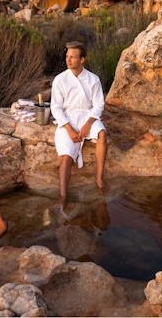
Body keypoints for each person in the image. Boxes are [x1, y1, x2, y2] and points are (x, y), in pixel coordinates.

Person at [50, 41, 108, 212]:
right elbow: (56, 107)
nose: (68, 60)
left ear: (82, 60)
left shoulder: (93, 79)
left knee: (102, 133)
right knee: (67, 157)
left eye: (73, 57)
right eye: (67, 57)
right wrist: (69, 129)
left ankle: (99, 177)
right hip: (67, 118)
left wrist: (88, 124)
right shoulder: (60, 79)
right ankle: (63, 196)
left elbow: (98, 105)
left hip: (87, 115)